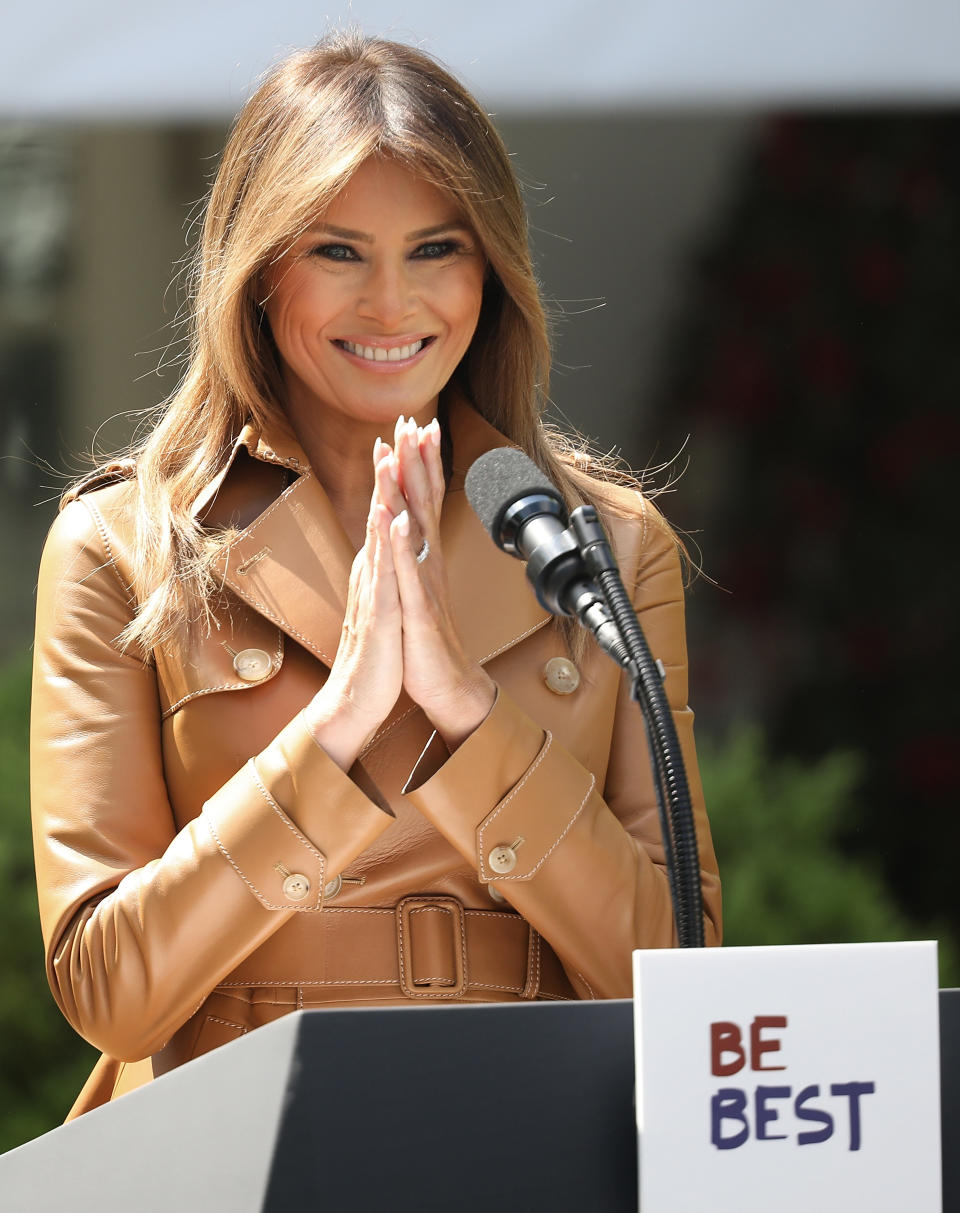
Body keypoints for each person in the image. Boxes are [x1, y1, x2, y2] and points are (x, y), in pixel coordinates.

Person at [30, 32, 721, 1121]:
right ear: (258, 270)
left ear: (491, 269)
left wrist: (473, 722)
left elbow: (682, 973)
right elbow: (110, 991)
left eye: (437, 248)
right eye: (337, 252)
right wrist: (334, 735)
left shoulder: (611, 547)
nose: (393, 306)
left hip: (528, 1125)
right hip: (230, 1133)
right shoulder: (124, 545)